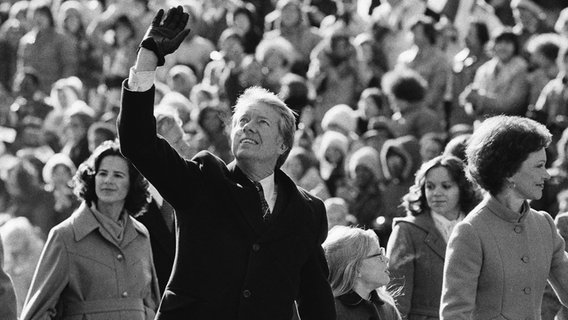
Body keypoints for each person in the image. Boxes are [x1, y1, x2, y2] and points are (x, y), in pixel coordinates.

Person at [117, 6, 335, 320]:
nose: (248, 127)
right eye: (242, 120)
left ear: (284, 143)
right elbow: (138, 143)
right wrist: (149, 56)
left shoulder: (307, 212)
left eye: (262, 122)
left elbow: (316, 300)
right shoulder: (203, 178)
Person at [440, 115, 568, 319]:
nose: (547, 174)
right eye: (538, 166)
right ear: (508, 171)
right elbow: (454, 314)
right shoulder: (470, 232)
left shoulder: (544, 224)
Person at [19, 141, 160, 319]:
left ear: (132, 184)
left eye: (118, 175)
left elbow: (151, 303)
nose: (108, 180)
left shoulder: (141, 236)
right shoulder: (65, 235)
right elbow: (37, 313)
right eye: (102, 173)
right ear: (92, 179)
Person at [387, 155, 480, 319]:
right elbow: (396, 297)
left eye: (446, 186)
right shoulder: (407, 230)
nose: (437, 193)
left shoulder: (478, 225)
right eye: (430, 186)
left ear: (462, 188)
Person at [323, 226, 401, 320]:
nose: (386, 259)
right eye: (378, 255)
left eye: (382, 252)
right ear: (355, 269)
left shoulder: (387, 307)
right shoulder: (332, 311)